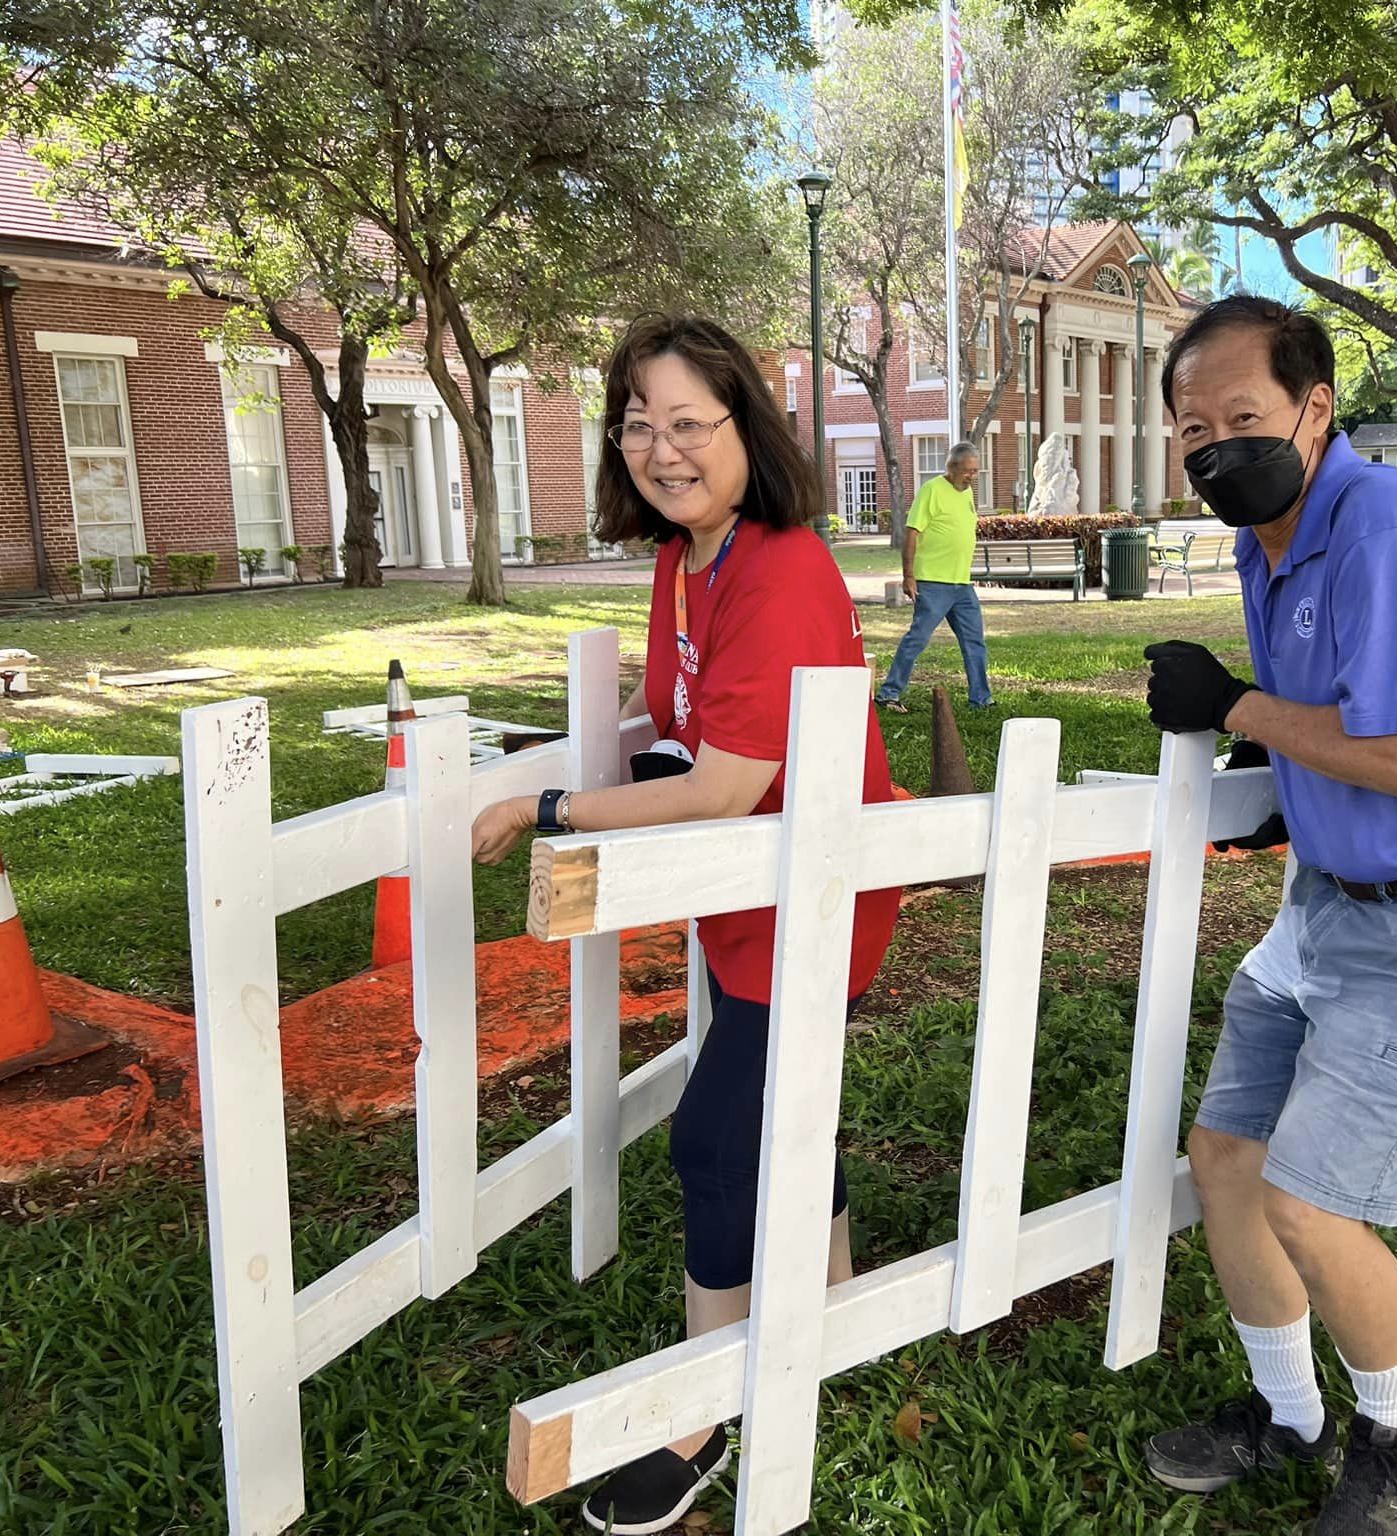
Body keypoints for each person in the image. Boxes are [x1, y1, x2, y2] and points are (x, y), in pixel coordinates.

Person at [1135, 296, 1397, 1535]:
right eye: (1192, 428)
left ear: (1314, 411)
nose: (1215, 447)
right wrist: (1289, 805)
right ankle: (1288, 1413)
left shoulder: (1377, 527)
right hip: (1328, 908)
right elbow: (1347, 725)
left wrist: (1236, 708)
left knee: (1306, 1201)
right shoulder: (1264, 536)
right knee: (1224, 1158)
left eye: (1243, 419)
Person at [470, 313, 900, 1534]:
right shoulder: (685, 559)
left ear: (745, 431)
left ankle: (698, 1412)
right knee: (776, 1107)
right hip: (748, 890)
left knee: (714, 1140)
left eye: (688, 423)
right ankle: (832, 1306)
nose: (662, 449)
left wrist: (550, 803)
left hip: (815, 895)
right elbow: (678, 720)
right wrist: (563, 752)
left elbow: (721, 784)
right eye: (638, 424)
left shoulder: (779, 563)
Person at [874, 441, 993, 712]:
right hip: (933, 582)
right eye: (967, 471)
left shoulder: (967, 492)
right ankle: (888, 693)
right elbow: (912, 532)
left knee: (975, 642)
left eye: (975, 471)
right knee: (917, 639)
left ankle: (981, 699)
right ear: (951, 467)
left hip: (962, 584)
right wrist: (909, 576)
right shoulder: (931, 490)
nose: (972, 476)